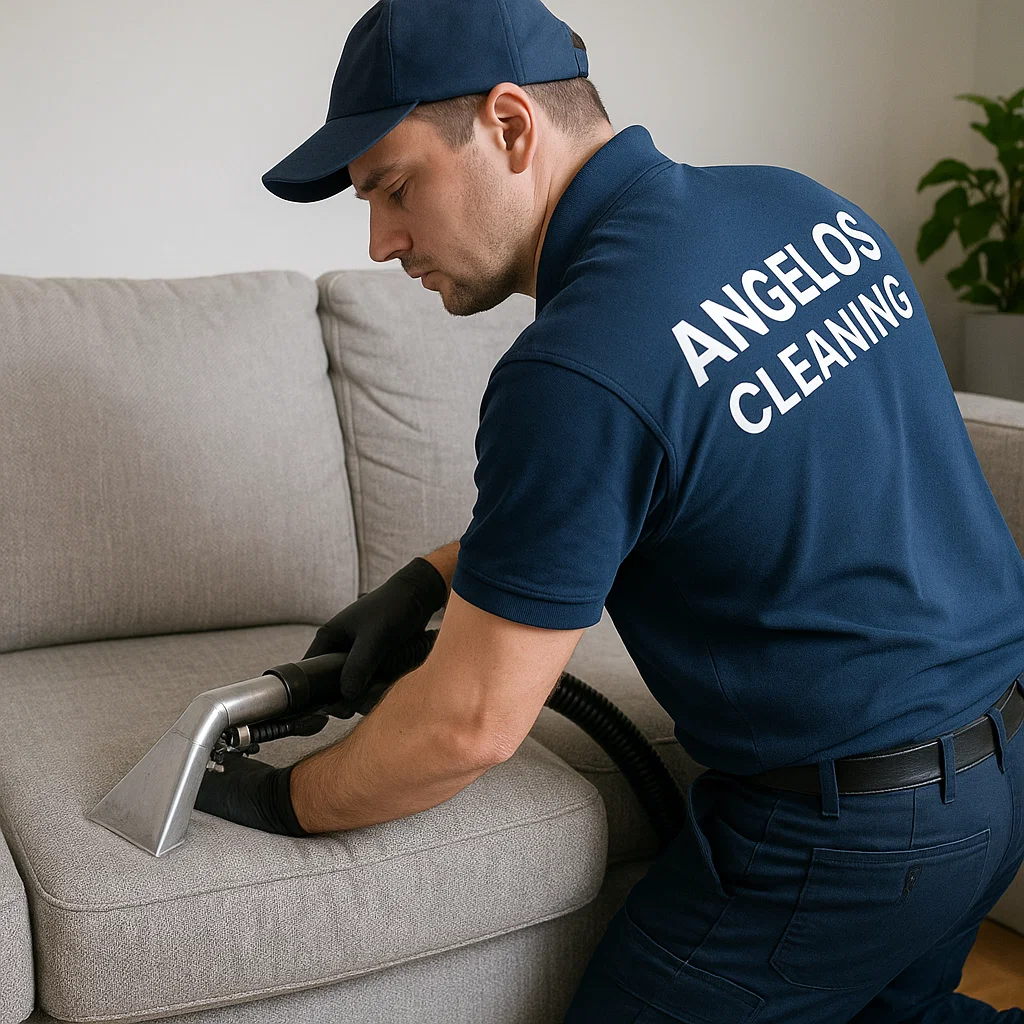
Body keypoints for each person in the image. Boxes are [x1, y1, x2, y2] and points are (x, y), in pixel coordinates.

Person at [196, 0, 1024, 1019]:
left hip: (848, 836)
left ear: (510, 125)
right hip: (1001, 766)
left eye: (395, 187)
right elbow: (692, 480)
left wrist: (284, 795)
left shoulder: (575, 364)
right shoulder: (803, 207)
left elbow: (467, 725)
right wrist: (428, 581)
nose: (380, 242)